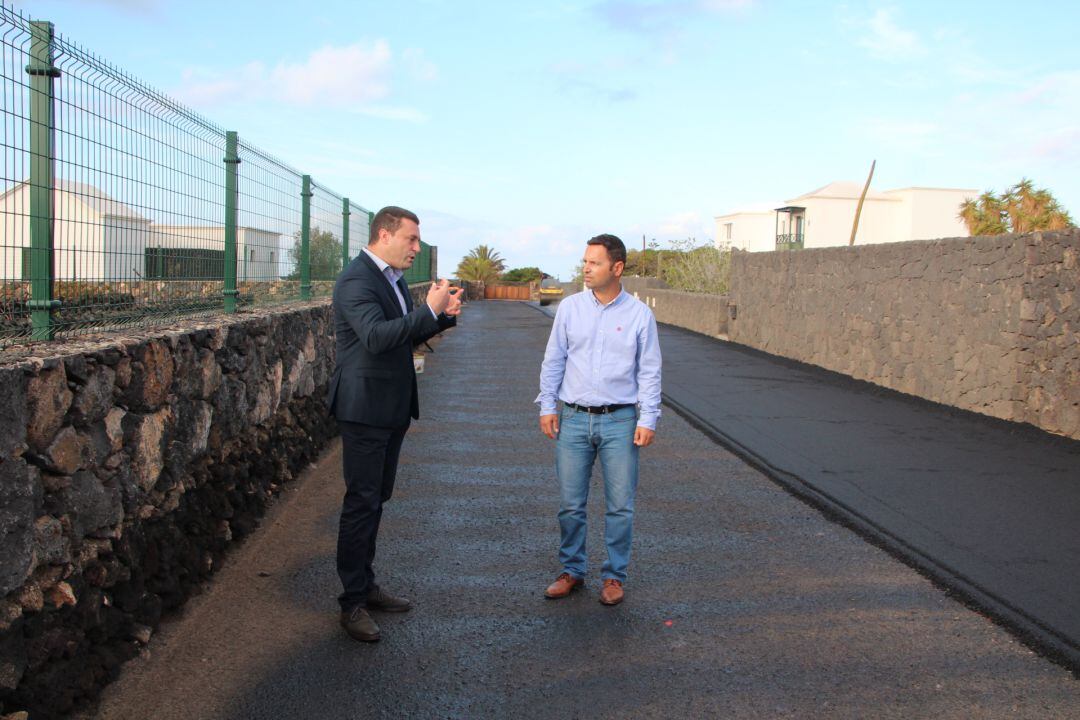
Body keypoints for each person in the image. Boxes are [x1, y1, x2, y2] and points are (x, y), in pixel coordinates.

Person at [327, 205, 462, 642]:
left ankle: (365, 586)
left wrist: (442, 317)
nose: (416, 248)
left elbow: (401, 331)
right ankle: (351, 603)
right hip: (364, 409)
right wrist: (427, 309)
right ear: (385, 234)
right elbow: (375, 336)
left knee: (376, 498)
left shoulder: (392, 279)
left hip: (392, 407)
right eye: (411, 240)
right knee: (362, 501)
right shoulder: (355, 280)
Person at [535, 233, 662, 606]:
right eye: (585, 261)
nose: (586, 268)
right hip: (573, 419)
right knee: (571, 504)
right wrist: (547, 406)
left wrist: (648, 417)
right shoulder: (570, 309)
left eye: (594, 262)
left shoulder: (640, 315)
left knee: (620, 505)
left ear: (617, 268)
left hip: (620, 420)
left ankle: (613, 577)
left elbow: (650, 371)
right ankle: (571, 570)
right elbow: (554, 359)